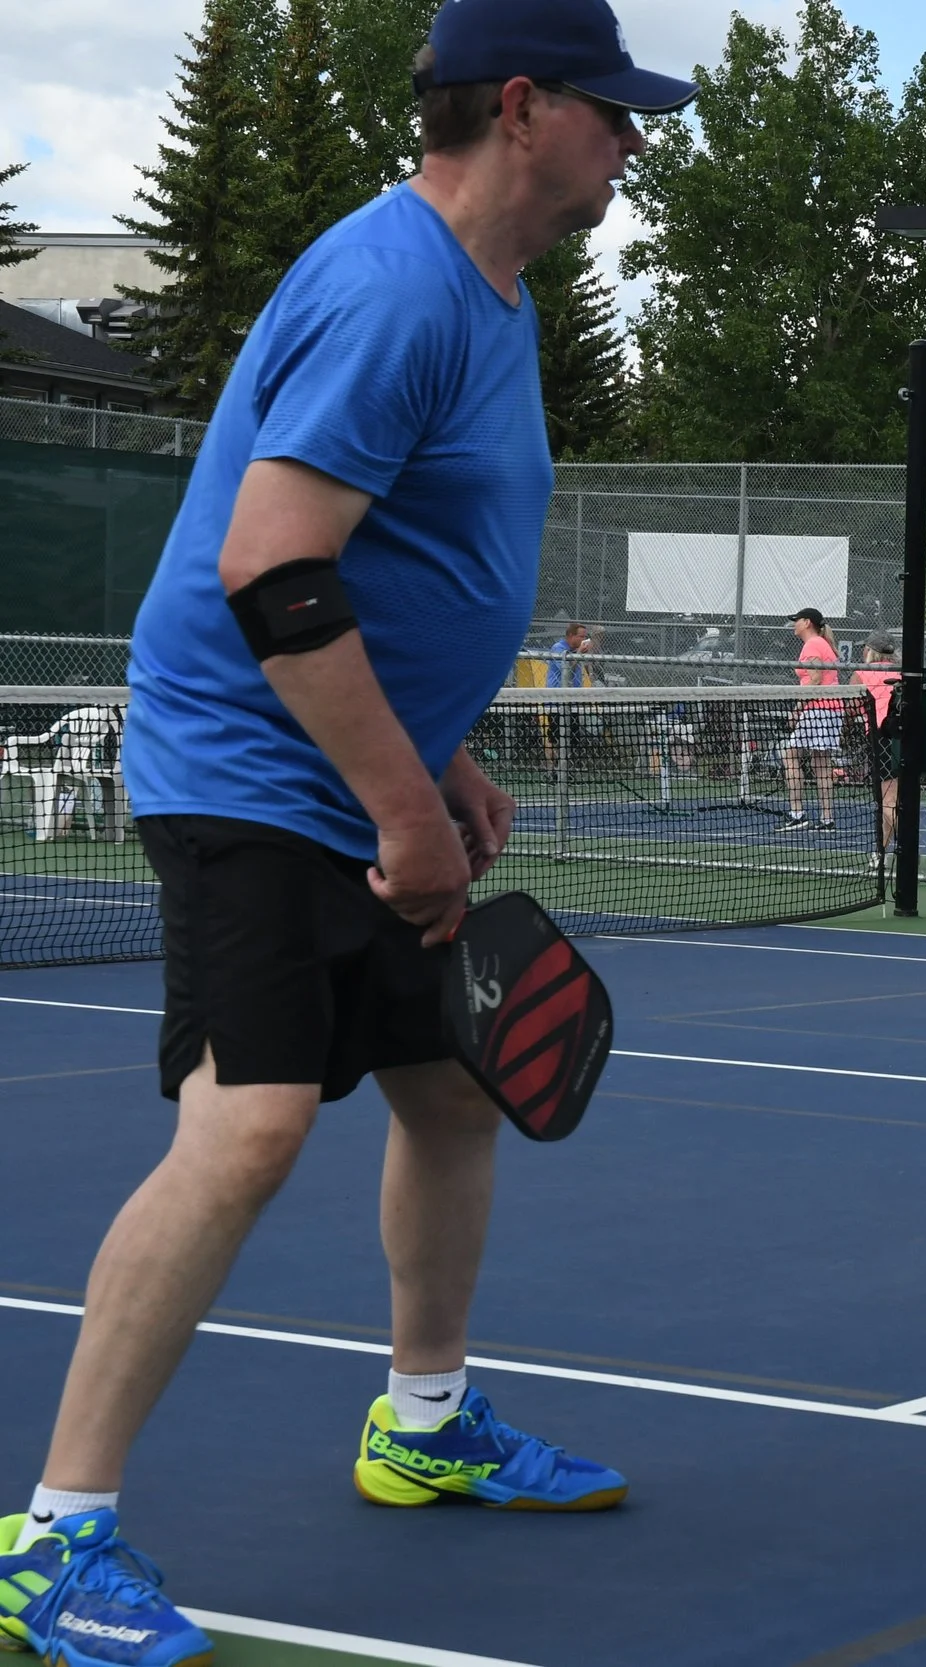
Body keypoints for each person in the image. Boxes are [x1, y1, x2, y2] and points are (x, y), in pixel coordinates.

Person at [0, 6, 692, 1653]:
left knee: (454, 1089)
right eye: (614, 110)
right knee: (247, 1130)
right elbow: (276, 567)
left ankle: (425, 1417)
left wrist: (436, 762)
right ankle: (53, 1536)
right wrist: (407, 803)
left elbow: (385, 572)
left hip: (359, 772)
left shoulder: (490, 294)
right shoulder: (395, 289)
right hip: (249, 774)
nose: (635, 139)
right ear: (523, 109)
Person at [782, 607, 843, 828]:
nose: (794, 624)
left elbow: (815, 679)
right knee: (821, 764)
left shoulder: (813, 644)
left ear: (807, 622)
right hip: (829, 710)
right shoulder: (820, 644)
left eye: (797, 620)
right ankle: (827, 819)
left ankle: (797, 814)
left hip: (819, 709)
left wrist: (798, 709)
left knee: (790, 755)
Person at [856, 635, 902, 850]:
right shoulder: (902, 673)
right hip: (904, 736)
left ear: (870, 651)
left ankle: (909, 850)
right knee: (891, 797)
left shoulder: (861, 674)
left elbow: (851, 707)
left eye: (864, 648)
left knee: (888, 799)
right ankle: (880, 854)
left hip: (880, 737)